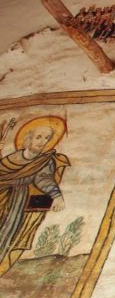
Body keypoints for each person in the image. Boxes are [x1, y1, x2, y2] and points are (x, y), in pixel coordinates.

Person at [0, 116, 70, 276]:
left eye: (47, 138)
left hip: (17, 205)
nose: (42, 141)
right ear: (28, 139)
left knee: (6, 235)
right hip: (2, 197)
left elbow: (44, 179)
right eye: (38, 137)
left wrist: (56, 195)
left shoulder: (43, 161)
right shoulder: (12, 159)